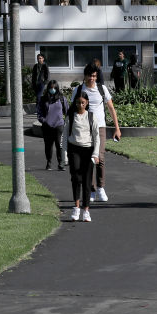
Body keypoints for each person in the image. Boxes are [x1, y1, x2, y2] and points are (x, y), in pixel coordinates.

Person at [72, 62, 120, 202]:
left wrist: (117, 128)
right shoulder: (79, 89)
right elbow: (73, 110)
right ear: (85, 76)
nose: (91, 78)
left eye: (94, 76)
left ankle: (101, 187)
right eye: (89, 76)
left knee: (100, 158)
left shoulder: (102, 89)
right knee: (88, 160)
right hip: (84, 128)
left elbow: (111, 108)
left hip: (100, 127)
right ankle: (91, 190)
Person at [66, 90, 99, 222]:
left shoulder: (91, 117)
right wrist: (64, 155)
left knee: (86, 180)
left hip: (88, 150)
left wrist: (96, 153)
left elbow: (97, 137)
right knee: (75, 177)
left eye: (83, 103)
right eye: (78, 102)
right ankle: (76, 207)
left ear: (87, 103)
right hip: (74, 149)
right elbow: (65, 137)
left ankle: (86, 210)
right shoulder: (71, 117)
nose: (80, 105)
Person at [37, 80, 67, 170]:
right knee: (48, 145)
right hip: (47, 126)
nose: (52, 89)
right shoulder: (43, 99)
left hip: (59, 125)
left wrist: (65, 121)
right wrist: (44, 120)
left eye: (54, 88)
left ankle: (61, 163)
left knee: (59, 145)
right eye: (51, 88)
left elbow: (67, 111)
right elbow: (39, 113)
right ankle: (49, 162)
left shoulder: (62, 99)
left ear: (57, 88)